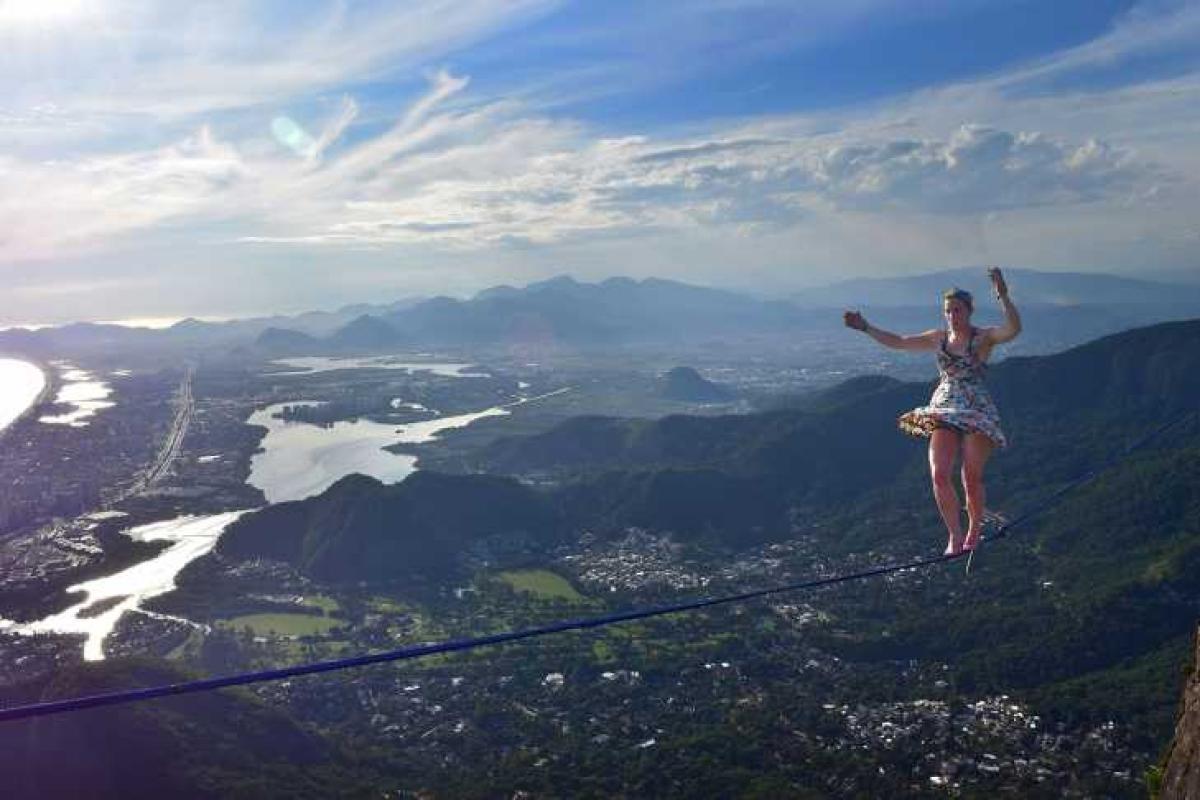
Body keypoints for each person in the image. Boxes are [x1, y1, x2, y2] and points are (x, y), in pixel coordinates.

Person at [843, 268, 1022, 555]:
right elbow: (900, 342)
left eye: (958, 310)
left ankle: (974, 529)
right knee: (939, 474)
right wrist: (866, 327)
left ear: (969, 311)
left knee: (970, 476)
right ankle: (954, 534)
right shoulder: (937, 338)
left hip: (975, 406)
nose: (953, 315)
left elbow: (1012, 329)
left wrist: (1003, 295)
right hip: (944, 405)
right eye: (949, 311)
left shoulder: (983, 337)